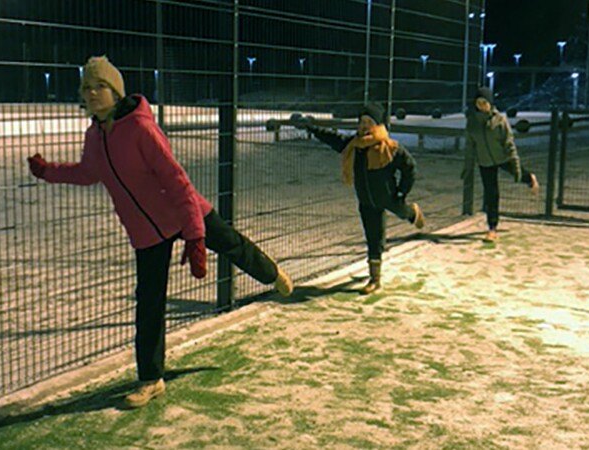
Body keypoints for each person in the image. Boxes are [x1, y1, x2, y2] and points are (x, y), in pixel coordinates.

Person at [26, 56, 293, 408]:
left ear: (115, 92)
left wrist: (195, 236)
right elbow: (88, 172)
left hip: (182, 212)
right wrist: (49, 172)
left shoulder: (141, 129)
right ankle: (151, 379)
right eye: (86, 87)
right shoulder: (95, 135)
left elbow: (178, 183)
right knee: (149, 303)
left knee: (229, 243)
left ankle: (271, 273)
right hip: (146, 232)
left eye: (99, 86)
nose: (91, 93)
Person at [299, 103, 424, 294]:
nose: (365, 125)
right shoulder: (354, 146)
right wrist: (311, 127)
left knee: (402, 211)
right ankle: (375, 279)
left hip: (389, 196)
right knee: (373, 235)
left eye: (369, 122)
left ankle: (412, 212)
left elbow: (410, 167)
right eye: (362, 122)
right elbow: (332, 138)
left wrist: (402, 191)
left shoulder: (389, 147)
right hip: (366, 200)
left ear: (378, 125)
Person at [463, 87, 539, 242]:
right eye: (479, 103)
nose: (482, 106)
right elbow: (470, 146)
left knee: (517, 174)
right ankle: (492, 228)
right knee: (491, 194)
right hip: (485, 162)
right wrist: (468, 167)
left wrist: (516, 166)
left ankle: (530, 178)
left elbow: (509, 144)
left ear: (490, 103)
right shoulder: (472, 122)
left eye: (485, 102)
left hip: (503, 157)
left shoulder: (500, 120)